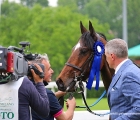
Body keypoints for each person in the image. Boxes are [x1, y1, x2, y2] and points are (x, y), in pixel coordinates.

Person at [30, 53, 76, 120]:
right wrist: (71, 106)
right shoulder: (48, 95)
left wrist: (57, 94)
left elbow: (40, 98)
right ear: (38, 72)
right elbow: (65, 119)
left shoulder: (26, 88)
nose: (52, 71)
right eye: (48, 69)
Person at [105, 38, 140, 120]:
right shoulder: (131, 69)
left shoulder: (128, 74)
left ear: (112, 56)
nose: (106, 60)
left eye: (106, 56)